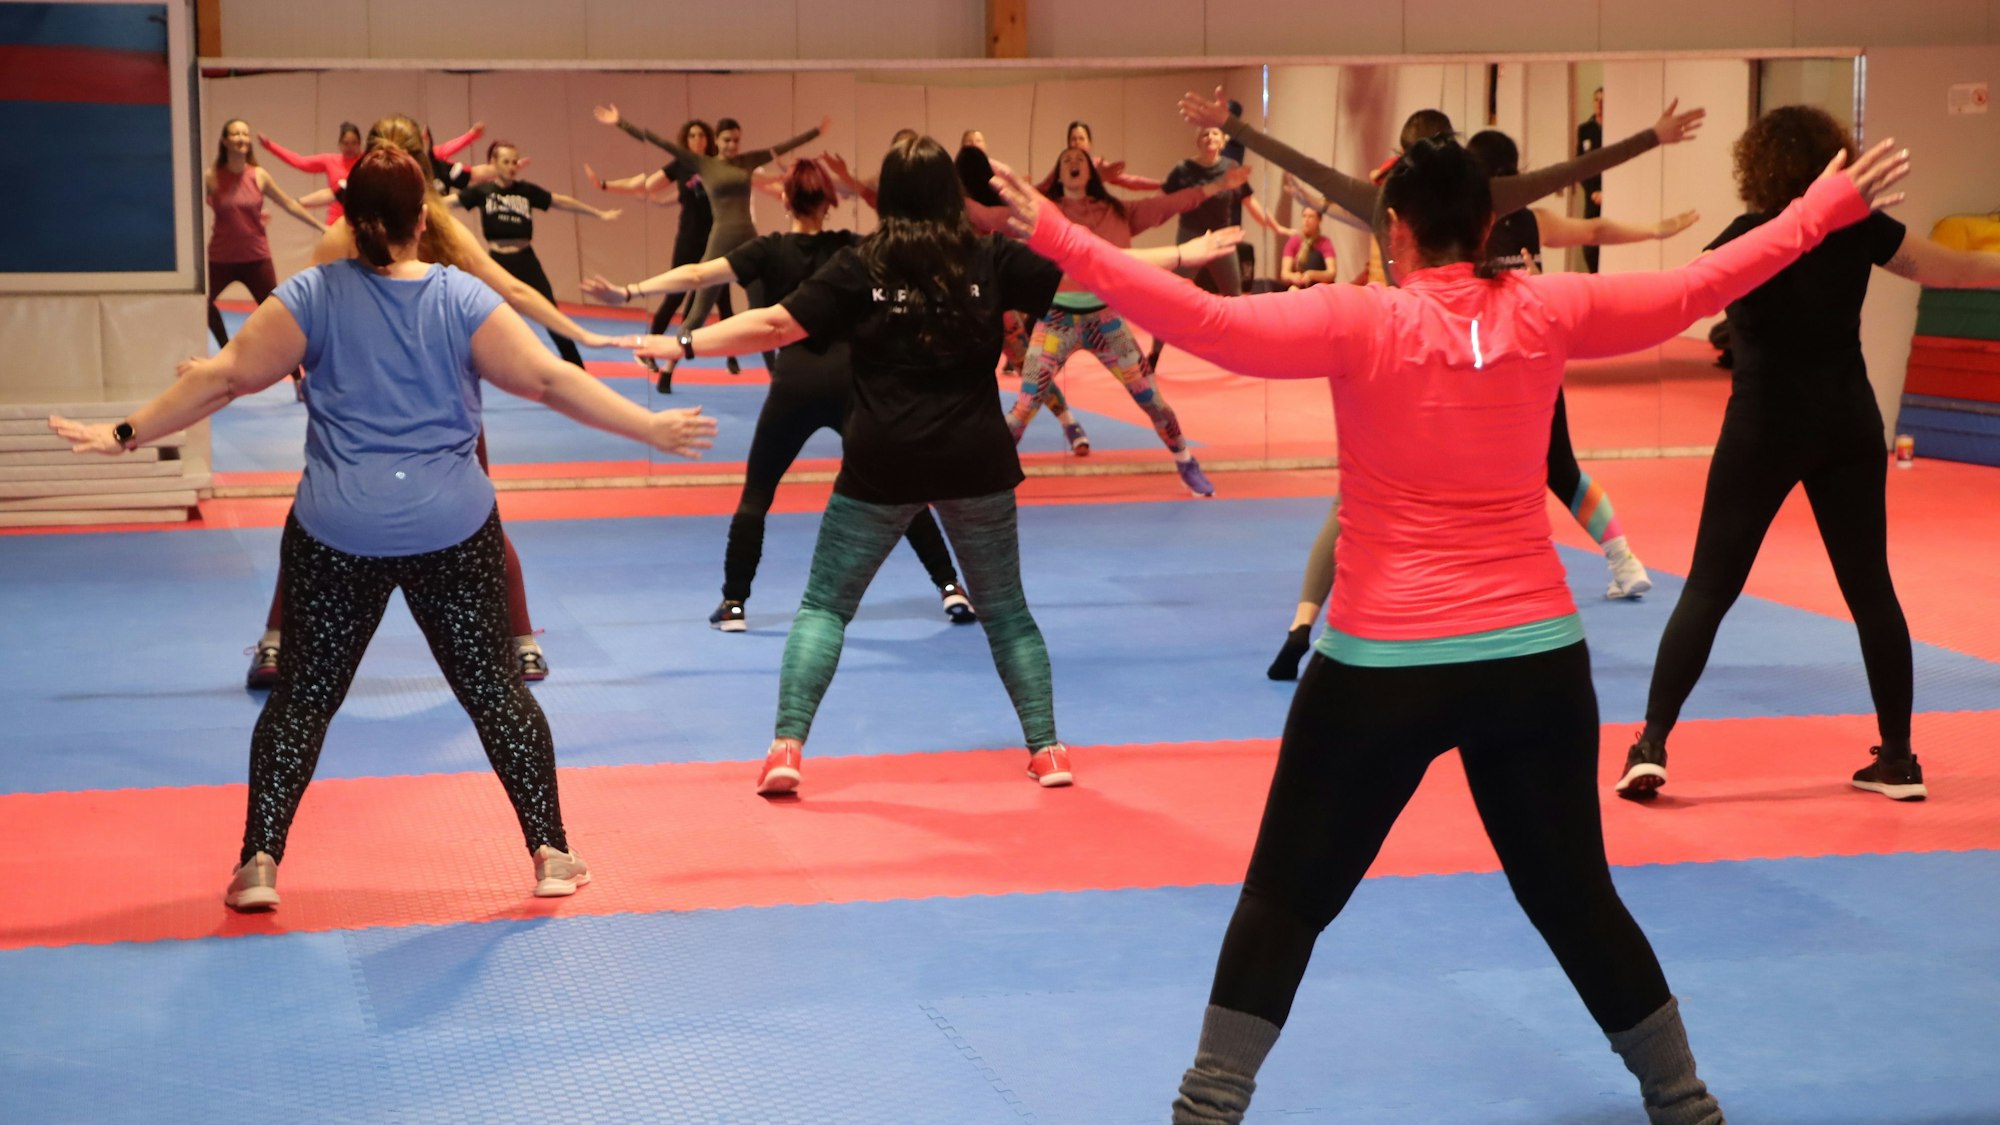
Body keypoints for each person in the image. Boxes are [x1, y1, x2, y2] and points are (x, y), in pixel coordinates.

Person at [994, 127, 1909, 1124]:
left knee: (1283, 902)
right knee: (1572, 899)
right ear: (1485, 228)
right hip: (1533, 665)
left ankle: (1205, 1111)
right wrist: (1819, 213)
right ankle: (1682, 1102)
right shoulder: (1546, 308)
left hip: (1380, 665)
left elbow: (1207, 325)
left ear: (1395, 232)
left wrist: (1056, 234)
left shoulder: (1360, 319)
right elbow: (1697, 286)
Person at [51, 146, 717, 911]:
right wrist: (649, 428)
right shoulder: (460, 297)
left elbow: (224, 376)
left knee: (301, 698)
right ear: (423, 218)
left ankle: (259, 864)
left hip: (339, 531)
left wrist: (124, 431)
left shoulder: (312, 295)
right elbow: (547, 378)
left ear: (346, 220)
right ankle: (553, 853)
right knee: (497, 691)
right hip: (451, 527)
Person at [627, 137, 1235, 795]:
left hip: (882, 461)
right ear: (951, 194)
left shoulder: (864, 264)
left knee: (825, 607)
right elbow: (1093, 274)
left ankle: (786, 748)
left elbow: (774, 325)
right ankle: (1049, 750)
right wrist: (1180, 255)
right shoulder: (989, 256)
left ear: (886, 195)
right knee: (1006, 611)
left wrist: (682, 341)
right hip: (976, 458)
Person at [1619, 106, 2000, 805]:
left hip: (1765, 426)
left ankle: (1650, 745)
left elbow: (1673, 303)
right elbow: (1954, 270)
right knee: (1870, 589)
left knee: (1709, 587)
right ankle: (1900, 758)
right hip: (1847, 422)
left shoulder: (1744, 238)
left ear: (1754, 164)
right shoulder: (1859, 229)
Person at [243, 115, 628, 689]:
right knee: (344, 519)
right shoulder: (347, 239)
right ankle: (516, 641)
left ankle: (516, 638)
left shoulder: (438, 230)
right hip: (369, 404)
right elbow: (302, 316)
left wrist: (583, 335)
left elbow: (512, 289)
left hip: (430, 404)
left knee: (325, 519)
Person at [581, 159, 979, 631]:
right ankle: (951, 588)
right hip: (853, 385)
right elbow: (906, 247)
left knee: (757, 495)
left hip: (794, 384)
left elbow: (695, 276)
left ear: (785, 200)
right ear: (828, 203)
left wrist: (628, 292)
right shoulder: (853, 248)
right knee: (899, 489)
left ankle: (733, 605)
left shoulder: (768, 250)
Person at [1178, 86, 1705, 287]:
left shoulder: (1393, 195)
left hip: (1426, 338)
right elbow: (1565, 173)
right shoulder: (1468, 194)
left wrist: (1650, 138)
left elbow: (1566, 175)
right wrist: (1650, 139)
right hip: (1451, 338)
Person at [1007, 144, 1250, 496]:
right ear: (1057, 175)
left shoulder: (1118, 212)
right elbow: (1015, 207)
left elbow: (1167, 205)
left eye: (1080, 160)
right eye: (1065, 161)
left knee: (1152, 399)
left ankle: (1185, 460)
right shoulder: (1048, 214)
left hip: (1107, 321)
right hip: (1057, 320)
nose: (1074, 163)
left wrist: (1217, 186)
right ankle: (984, 474)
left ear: (1091, 171)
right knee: (1025, 405)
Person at [594, 105, 831, 386]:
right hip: (720, 239)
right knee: (698, 313)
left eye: (736, 140)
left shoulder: (746, 161)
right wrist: (621, 122)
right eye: (726, 140)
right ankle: (669, 368)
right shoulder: (702, 164)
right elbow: (660, 142)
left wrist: (816, 132)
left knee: (762, 310)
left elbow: (782, 146)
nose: (732, 145)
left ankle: (775, 379)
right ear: (716, 141)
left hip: (750, 241)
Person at [586, 119, 728, 392]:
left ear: (709, 140)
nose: (697, 140)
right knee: (674, 296)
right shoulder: (681, 164)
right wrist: (604, 185)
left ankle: (671, 367)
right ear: (685, 140)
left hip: (716, 239)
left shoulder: (717, 165)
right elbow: (645, 184)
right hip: (689, 238)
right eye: (692, 135)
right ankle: (648, 348)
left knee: (705, 303)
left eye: (701, 135)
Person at [454, 140, 621, 368]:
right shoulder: (482, 191)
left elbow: (561, 201)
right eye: (506, 161)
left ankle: (578, 370)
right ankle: (463, 370)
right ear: (493, 163)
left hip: (525, 260)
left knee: (551, 315)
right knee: (479, 316)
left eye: (514, 162)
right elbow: (448, 203)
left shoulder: (526, 191)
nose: (512, 166)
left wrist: (598, 214)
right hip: (496, 262)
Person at [1142, 124, 1291, 372]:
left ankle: (1245, 350)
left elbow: (1250, 202)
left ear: (1222, 140)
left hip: (1222, 241)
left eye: (1214, 133)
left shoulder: (1230, 168)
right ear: (1197, 141)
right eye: (1204, 134)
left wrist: (1276, 227)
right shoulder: (1183, 170)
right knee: (1170, 298)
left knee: (1234, 297)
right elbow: (1162, 200)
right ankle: (1155, 354)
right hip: (1190, 241)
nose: (1209, 137)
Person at [204, 119, 326, 351]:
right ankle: (226, 350)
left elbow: (289, 204)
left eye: (245, 134)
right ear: (225, 141)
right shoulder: (212, 177)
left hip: (256, 259)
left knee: (278, 313)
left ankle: (297, 377)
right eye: (235, 134)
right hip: (220, 259)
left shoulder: (259, 175)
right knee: (202, 304)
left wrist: (321, 227)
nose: (241, 138)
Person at [256, 121, 364, 223]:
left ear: (360, 143)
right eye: (346, 143)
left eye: (354, 143)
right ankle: (294, 203)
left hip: (361, 220)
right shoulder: (330, 160)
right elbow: (299, 162)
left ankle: (294, 202)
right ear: (339, 144)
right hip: (335, 222)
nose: (350, 147)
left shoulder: (367, 160)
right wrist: (270, 146)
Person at [1033, 120, 1163, 194]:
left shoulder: (1096, 165)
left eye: (1081, 139)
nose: (1077, 142)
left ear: (1089, 143)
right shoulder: (1062, 167)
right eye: (1073, 139)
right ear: (1068, 144)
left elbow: (1130, 181)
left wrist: (1162, 185)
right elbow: (1043, 187)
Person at [1276, 206, 1337, 288]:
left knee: (1315, 257)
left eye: (1311, 216)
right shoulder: (1294, 241)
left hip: (1319, 287)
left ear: (1319, 220)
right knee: (1293, 289)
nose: (1306, 220)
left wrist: (1312, 275)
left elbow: (1331, 273)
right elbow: (1284, 273)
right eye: (1304, 216)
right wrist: (1293, 276)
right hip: (1300, 286)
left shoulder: (1325, 242)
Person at [1578, 86, 1606, 272]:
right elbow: (1580, 165)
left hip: (1611, 192)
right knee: (1589, 239)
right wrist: (1592, 192)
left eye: (1603, 101)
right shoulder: (1585, 130)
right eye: (1596, 100)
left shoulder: (1615, 128)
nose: (1599, 104)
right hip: (1592, 194)